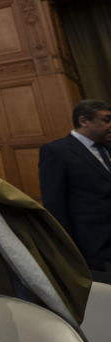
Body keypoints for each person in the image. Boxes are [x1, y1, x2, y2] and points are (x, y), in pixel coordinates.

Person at [39, 99, 111, 271]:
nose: (110, 125)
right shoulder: (57, 151)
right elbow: (55, 204)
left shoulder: (107, 147)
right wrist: (68, 250)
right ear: (84, 121)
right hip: (93, 246)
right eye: (106, 120)